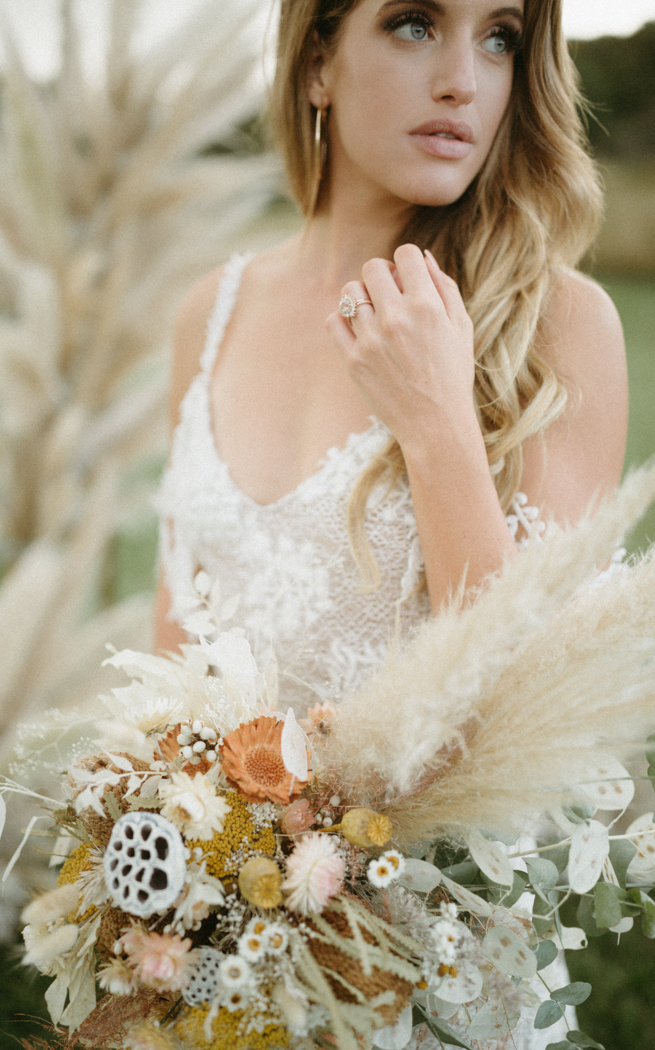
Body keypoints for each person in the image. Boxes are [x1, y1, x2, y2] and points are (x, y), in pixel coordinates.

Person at [155, 3, 627, 1042]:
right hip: (212, 952)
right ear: (317, 60)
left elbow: (531, 710)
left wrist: (438, 423)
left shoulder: (558, 324)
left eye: (499, 36)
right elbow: (169, 647)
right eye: (415, 24)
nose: (463, 78)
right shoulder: (211, 308)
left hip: (429, 973)